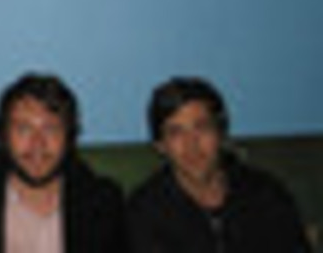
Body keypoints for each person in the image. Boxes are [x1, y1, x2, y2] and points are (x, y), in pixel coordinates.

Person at [0, 73, 128, 253]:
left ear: (69, 137)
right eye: (23, 129)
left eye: (50, 129)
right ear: (3, 136)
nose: (37, 144)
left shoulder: (103, 205)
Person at [128, 76, 311, 253]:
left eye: (202, 127)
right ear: (160, 145)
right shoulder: (145, 212)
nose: (192, 145)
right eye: (176, 133)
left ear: (220, 132)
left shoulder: (265, 195)